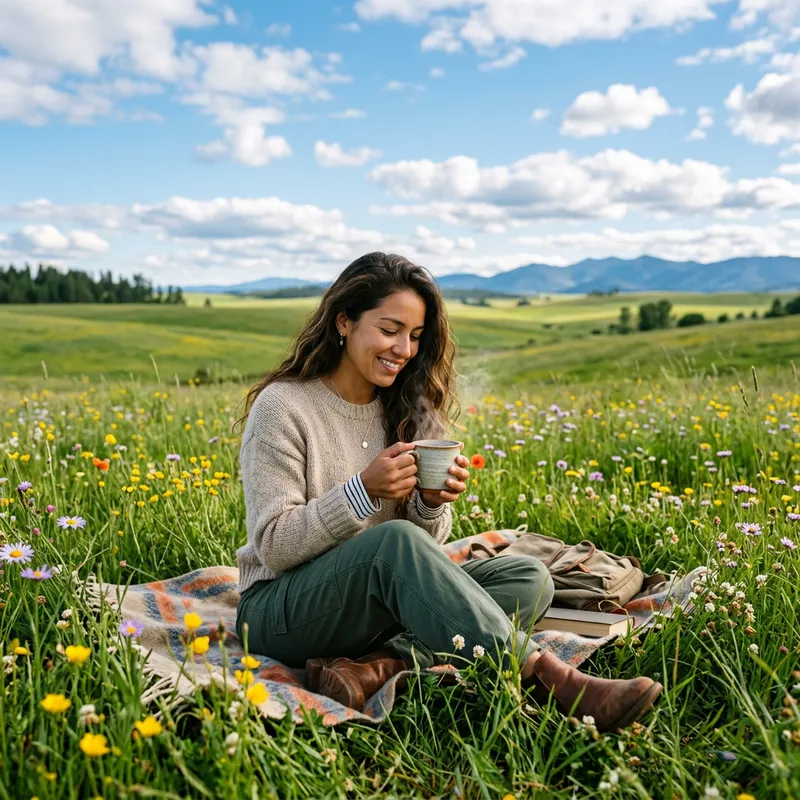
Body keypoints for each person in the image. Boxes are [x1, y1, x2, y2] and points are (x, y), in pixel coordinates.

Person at [233, 252, 662, 732]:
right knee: (394, 542)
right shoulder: (284, 407)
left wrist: (429, 504)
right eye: (390, 329)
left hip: (372, 612)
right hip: (280, 612)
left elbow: (422, 555)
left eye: (415, 336)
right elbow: (273, 544)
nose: (404, 349)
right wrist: (362, 493)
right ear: (344, 321)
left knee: (528, 577)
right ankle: (546, 676)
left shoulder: (396, 407)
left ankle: (381, 665)